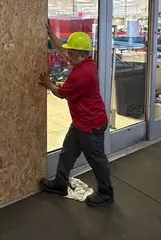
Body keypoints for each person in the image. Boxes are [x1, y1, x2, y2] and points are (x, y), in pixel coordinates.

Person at [38, 24, 114, 207]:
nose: (68, 56)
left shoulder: (82, 74)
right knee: (67, 152)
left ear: (82, 54)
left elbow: (61, 94)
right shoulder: (85, 61)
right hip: (81, 122)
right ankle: (60, 184)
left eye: (72, 54)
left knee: (96, 160)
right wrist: (50, 33)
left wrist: (49, 84)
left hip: (91, 125)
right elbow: (63, 50)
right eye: (70, 52)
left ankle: (106, 193)